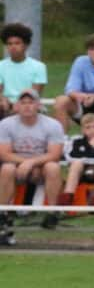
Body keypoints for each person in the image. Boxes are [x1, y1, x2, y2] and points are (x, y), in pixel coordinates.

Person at [0, 88, 64, 242]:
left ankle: (53, 212)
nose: (27, 106)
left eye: (31, 102)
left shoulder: (52, 125)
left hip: (41, 167)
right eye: (23, 102)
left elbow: (55, 154)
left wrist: (32, 162)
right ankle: (2, 212)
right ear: (17, 106)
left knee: (53, 167)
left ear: (38, 105)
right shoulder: (6, 124)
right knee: (7, 168)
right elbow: (4, 153)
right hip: (16, 167)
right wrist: (25, 163)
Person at [58, 113, 94, 206]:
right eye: (88, 127)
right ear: (82, 130)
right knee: (76, 163)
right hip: (81, 173)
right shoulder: (76, 141)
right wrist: (90, 159)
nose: (92, 130)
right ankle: (68, 195)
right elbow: (69, 157)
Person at [0, 23, 47, 118]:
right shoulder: (1, 65)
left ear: (26, 45)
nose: (13, 47)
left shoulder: (39, 66)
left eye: (17, 43)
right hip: (6, 105)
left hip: (28, 103)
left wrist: (19, 105)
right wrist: (3, 100)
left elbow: (34, 94)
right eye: (9, 44)